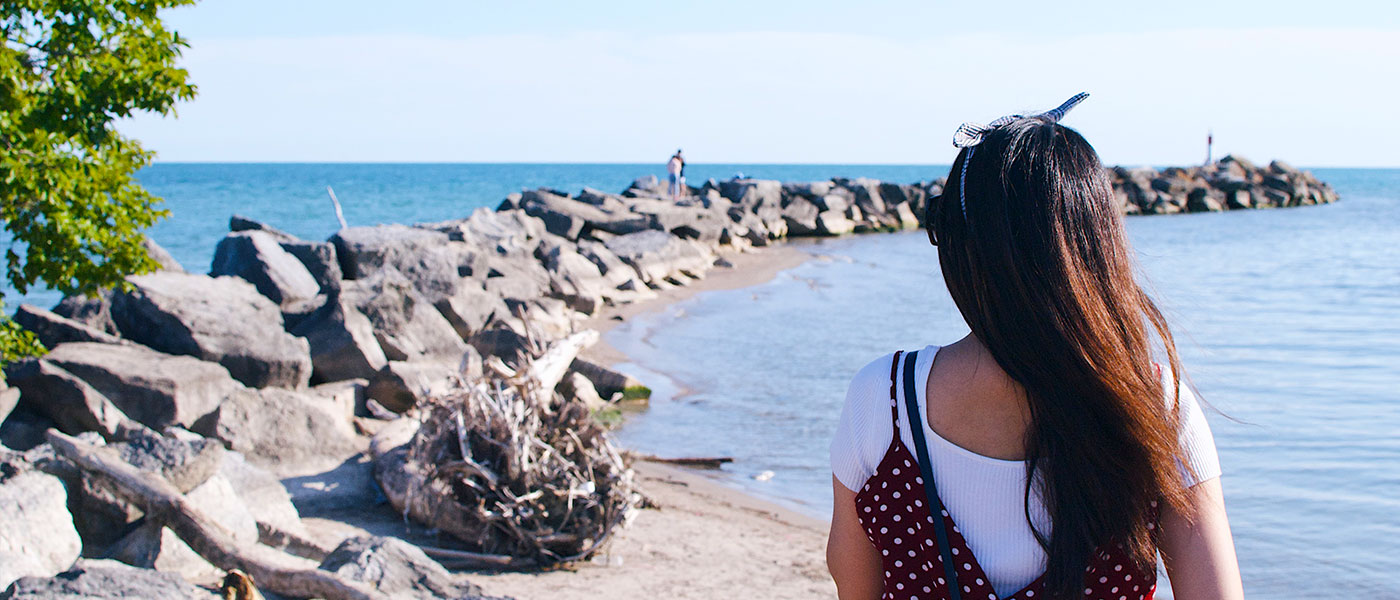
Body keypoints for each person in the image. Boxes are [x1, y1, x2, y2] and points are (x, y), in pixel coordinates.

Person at [826, 94, 1243, 600]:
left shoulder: (884, 401)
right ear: (1099, 246)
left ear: (960, 245)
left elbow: (855, 586)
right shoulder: (1155, 405)